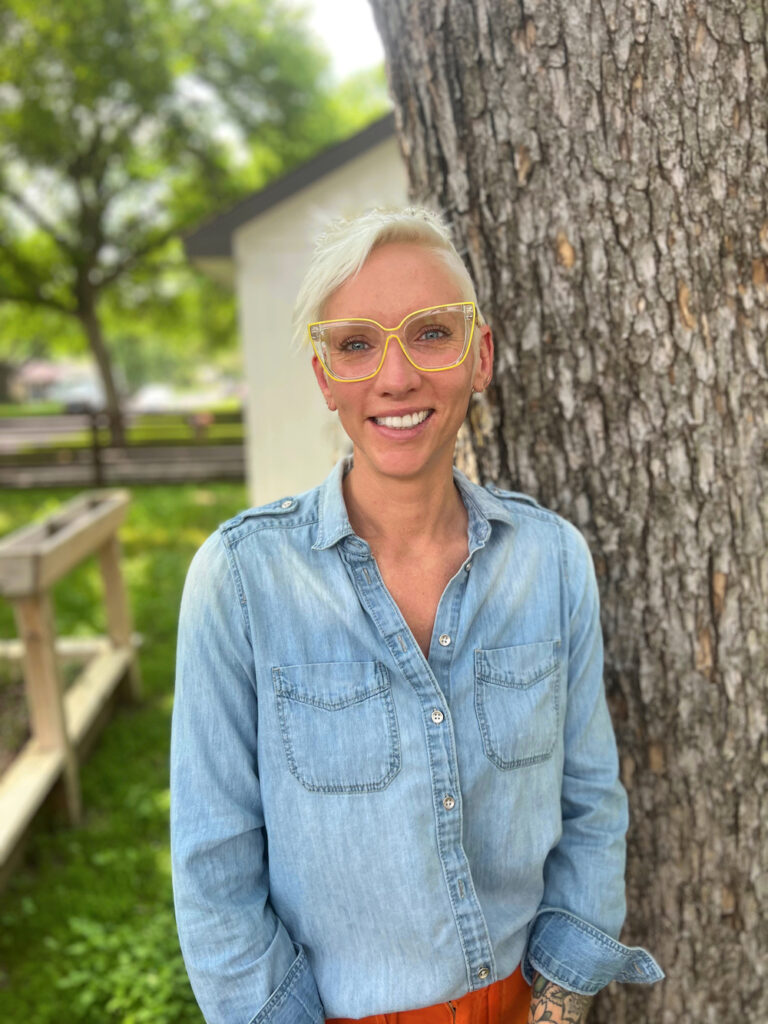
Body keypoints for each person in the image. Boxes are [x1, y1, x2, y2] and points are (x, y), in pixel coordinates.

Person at [170, 207, 663, 1024]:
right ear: (325, 376)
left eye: (432, 333)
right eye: (356, 344)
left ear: (481, 355)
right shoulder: (241, 581)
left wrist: (556, 1005)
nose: (395, 378)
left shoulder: (551, 561)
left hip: (524, 1003)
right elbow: (213, 863)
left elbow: (591, 802)